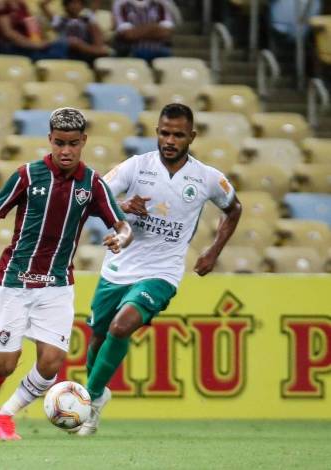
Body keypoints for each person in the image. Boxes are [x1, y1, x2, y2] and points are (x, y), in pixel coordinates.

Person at [0, 107, 132, 441]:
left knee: (51, 363)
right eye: (59, 143)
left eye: (73, 144)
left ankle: (4, 416)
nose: (66, 150)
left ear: (83, 141)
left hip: (57, 284)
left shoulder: (92, 183)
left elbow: (121, 224)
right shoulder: (28, 175)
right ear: (49, 139)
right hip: (16, 280)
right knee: (6, 364)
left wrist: (120, 238)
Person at [74, 103, 242, 436]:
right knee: (99, 338)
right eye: (165, 133)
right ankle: (98, 395)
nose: (170, 141)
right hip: (118, 268)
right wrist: (122, 205)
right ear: (157, 132)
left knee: (121, 327)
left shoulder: (207, 178)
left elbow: (234, 209)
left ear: (191, 136)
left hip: (162, 272)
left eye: (178, 135)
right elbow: (92, 197)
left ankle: (86, 400)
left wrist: (213, 251)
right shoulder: (136, 167)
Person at [0, 0, 69, 61]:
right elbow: (8, 33)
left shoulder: (21, 5)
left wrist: (40, 42)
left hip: (30, 46)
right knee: (59, 49)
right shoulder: (2, 5)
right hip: (15, 47)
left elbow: (31, 25)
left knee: (61, 45)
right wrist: (33, 45)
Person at [40, 0, 109, 63]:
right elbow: (43, 5)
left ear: (82, 6)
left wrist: (79, 45)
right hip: (63, 51)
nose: (75, 6)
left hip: (82, 53)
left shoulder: (87, 21)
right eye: (72, 3)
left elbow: (101, 50)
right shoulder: (60, 21)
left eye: (78, 3)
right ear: (66, 6)